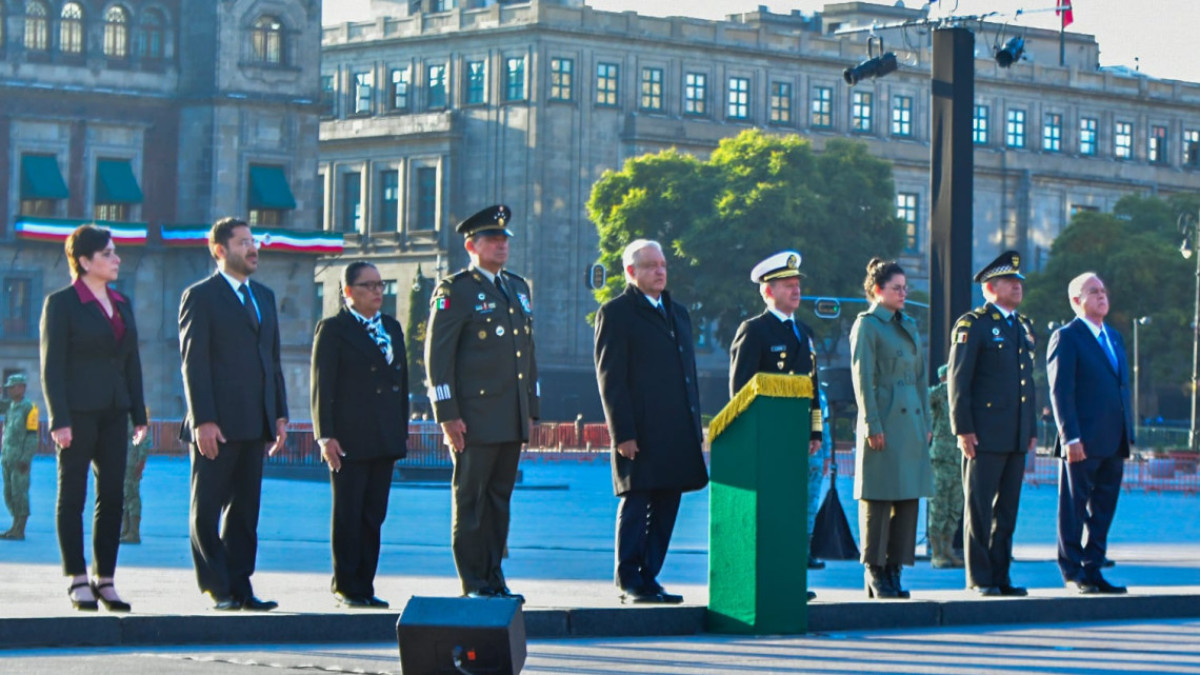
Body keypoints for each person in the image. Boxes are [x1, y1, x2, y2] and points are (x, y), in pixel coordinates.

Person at [425, 205, 538, 603]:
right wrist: (447, 415)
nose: (501, 245)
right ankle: (473, 581)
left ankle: (494, 575)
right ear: (471, 245)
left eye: (505, 239)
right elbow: (439, 358)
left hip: (510, 415)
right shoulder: (456, 289)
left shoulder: (518, 288)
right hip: (473, 417)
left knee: (498, 501)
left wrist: (531, 409)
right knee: (471, 499)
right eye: (493, 239)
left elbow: (527, 352)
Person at [179, 217, 288, 612]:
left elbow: (271, 359)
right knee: (207, 507)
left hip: (255, 422)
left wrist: (278, 414)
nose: (253, 248)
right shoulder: (200, 296)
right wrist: (203, 419)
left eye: (254, 241)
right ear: (220, 250)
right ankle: (216, 587)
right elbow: (194, 363)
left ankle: (241, 586)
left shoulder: (264, 296)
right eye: (244, 242)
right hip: (216, 424)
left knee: (245, 512)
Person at [40, 224, 148, 612]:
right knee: (73, 495)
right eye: (107, 253)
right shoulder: (62, 303)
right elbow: (52, 366)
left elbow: (132, 360)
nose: (116, 259)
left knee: (113, 496)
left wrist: (139, 412)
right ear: (84, 261)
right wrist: (59, 419)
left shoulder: (122, 302)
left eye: (115, 252)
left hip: (115, 412)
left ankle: (106, 579)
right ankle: (77, 578)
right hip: (78, 414)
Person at [594, 239, 708, 604]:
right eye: (650, 266)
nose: (659, 271)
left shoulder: (678, 313)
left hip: (675, 431)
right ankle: (629, 579)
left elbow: (687, 373)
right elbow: (611, 378)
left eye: (662, 265)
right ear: (631, 272)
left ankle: (650, 576)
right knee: (637, 502)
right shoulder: (617, 313)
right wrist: (622, 433)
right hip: (639, 432)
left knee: (666, 505)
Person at [311, 261, 409, 608]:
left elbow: (401, 384)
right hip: (350, 437)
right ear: (348, 291)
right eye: (368, 285)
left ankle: (365, 584)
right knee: (349, 512)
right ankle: (346, 584)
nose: (378, 291)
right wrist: (326, 435)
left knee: (373, 514)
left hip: (383, 436)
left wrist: (401, 430)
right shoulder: (335, 329)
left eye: (380, 285)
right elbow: (323, 386)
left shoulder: (392, 328)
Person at [727, 250, 823, 599]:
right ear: (768, 292)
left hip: (794, 436)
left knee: (791, 514)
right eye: (787, 286)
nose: (795, 291)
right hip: (767, 437)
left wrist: (815, 431)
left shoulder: (804, 332)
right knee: (767, 513)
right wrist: (751, 434)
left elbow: (811, 386)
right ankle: (760, 581)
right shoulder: (754, 330)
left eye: (797, 285)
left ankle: (789, 582)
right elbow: (741, 391)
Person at [947, 250, 1037, 597]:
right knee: (980, 508)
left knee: (1008, 511)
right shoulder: (974, 324)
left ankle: (1001, 575)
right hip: (982, 434)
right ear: (989, 288)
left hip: (1014, 434)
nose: (1017, 287)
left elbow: (1029, 382)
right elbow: (959, 380)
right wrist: (963, 429)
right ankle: (980, 577)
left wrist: (1030, 430)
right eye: (1009, 282)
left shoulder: (1022, 326)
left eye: (1019, 282)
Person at [849, 258, 932, 599]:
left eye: (905, 288)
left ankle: (895, 569)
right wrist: (871, 423)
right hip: (882, 420)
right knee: (878, 497)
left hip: (910, 423)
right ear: (877, 290)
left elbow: (920, 377)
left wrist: (926, 422)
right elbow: (862, 379)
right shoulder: (867, 325)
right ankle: (875, 569)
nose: (903, 293)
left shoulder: (908, 324)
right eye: (896, 288)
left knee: (907, 498)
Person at [1046, 272, 1133, 594]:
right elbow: (1061, 391)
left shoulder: (1114, 337)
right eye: (1093, 291)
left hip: (1114, 440)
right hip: (1081, 441)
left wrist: (1128, 433)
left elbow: (1120, 387)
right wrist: (1070, 437)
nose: (1101, 296)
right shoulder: (1067, 337)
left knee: (1104, 507)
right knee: (1073, 506)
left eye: (1103, 291)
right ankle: (1072, 572)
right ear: (1076, 301)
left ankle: (1094, 568)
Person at [927, 365, 965, 569]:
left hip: (959, 457)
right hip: (942, 457)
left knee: (955, 507)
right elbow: (922, 399)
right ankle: (937, 552)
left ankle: (948, 548)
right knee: (939, 506)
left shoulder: (963, 391)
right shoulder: (940, 392)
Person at [1, 373, 39, 541]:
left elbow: (32, 436)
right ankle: (14, 526)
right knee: (9, 492)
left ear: (22, 388)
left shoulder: (30, 408)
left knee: (20, 492)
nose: (9, 390)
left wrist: (26, 458)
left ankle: (20, 528)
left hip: (20, 459)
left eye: (12, 387)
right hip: (8, 457)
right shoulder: (10, 406)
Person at [120, 409, 152, 544]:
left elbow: (145, 437)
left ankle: (134, 532)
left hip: (132, 461)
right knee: (125, 496)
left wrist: (141, 460)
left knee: (132, 495)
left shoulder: (136, 413)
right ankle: (125, 530)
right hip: (124, 459)